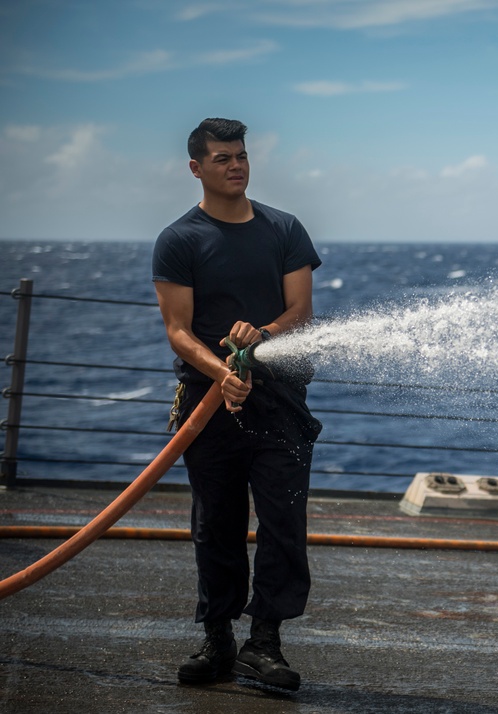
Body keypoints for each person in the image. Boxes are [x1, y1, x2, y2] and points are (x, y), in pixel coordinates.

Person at [152, 117, 323, 691]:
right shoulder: (179, 240)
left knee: (282, 523)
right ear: (196, 167)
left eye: (242, 156)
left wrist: (263, 336)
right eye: (223, 158)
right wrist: (224, 373)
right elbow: (178, 330)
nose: (236, 166)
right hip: (208, 401)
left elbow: (300, 312)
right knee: (216, 525)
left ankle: (265, 642)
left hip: (279, 400)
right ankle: (219, 637)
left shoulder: (284, 228)